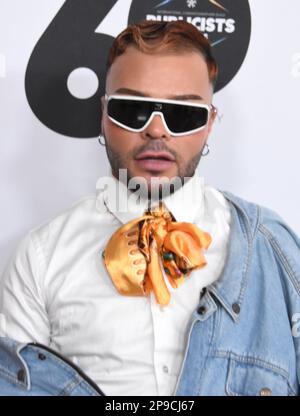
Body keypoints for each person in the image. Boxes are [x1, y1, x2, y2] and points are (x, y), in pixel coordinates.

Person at [0, 19, 300, 396]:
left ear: (209, 125)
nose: (157, 131)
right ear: (104, 117)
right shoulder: (41, 257)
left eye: (183, 115)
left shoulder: (274, 252)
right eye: (134, 111)